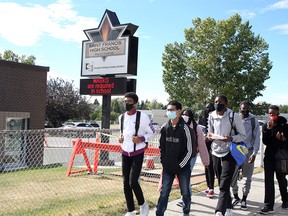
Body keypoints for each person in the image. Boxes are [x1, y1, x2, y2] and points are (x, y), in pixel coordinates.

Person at [207, 95, 246, 216]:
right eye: (216, 102)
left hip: (230, 152)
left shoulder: (233, 116)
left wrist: (231, 138)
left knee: (224, 185)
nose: (217, 104)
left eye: (220, 102)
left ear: (226, 104)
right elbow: (210, 132)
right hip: (215, 151)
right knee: (221, 182)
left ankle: (219, 211)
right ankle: (228, 207)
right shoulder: (211, 115)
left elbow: (243, 136)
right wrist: (209, 136)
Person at [118, 92, 156, 216]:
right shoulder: (121, 117)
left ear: (135, 103)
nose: (126, 104)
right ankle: (130, 210)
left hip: (137, 152)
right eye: (124, 101)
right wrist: (121, 138)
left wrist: (142, 139)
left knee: (133, 182)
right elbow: (122, 133)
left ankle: (143, 204)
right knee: (125, 183)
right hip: (125, 152)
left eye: (128, 101)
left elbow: (152, 132)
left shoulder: (143, 117)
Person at [156, 101, 193, 216]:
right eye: (168, 110)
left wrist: (180, 165)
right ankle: (159, 213)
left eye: (172, 110)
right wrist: (164, 162)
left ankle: (186, 212)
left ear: (179, 111)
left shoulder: (185, 129)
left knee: (185, 192)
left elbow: (190, 151)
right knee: (164, 193)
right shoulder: (164, 128)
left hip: (183, 168)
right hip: (168, 167)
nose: (169, 112)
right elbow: (162, 148)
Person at [231, 100, 260, 210]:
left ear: (250, 108)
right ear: (240, 108)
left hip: (248, 151)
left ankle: (244, 199)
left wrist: (254, 153)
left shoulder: (253, 121)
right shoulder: (234, 118)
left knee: (247, 177)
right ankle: (235, 196)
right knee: (232, 176)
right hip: (235, 151)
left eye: (247, 108)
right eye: (243, 108)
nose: (245, 110)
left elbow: (257, 137)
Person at [177, 109, 210, 207]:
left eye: (187, 115)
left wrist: (206, 161)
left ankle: (185, 198)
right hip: (180, 156)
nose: (184, 116)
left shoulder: (196, 128)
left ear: (191, 117)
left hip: (191, 157)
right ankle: (187, 196)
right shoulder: (178, 126)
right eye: (183, 114)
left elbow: (202, 145)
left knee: (185, 177)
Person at [259, 105, 288, 215]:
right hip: (269, 157)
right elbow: (265, 142)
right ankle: (268, 205)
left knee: (281, 179)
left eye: (274, 114)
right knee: (269, 180)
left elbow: (286, 141)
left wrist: (283, 139)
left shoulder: (284, 125)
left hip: (282, 156)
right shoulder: (266, 126)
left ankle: (285, 200)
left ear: (278, 114)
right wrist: (268, 130)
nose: (272, 116)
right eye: (270, 114)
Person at [199, 103, 216, 198]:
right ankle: (208, 186)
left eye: (210, 108)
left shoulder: (215, 118)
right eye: (206, 108)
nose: (208, 110)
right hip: (204, 144)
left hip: (213, 145)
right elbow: (199, 129)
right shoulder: (202, 118)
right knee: (206, 165)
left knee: (211, 166)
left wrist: (210, 137)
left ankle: (212, 188)